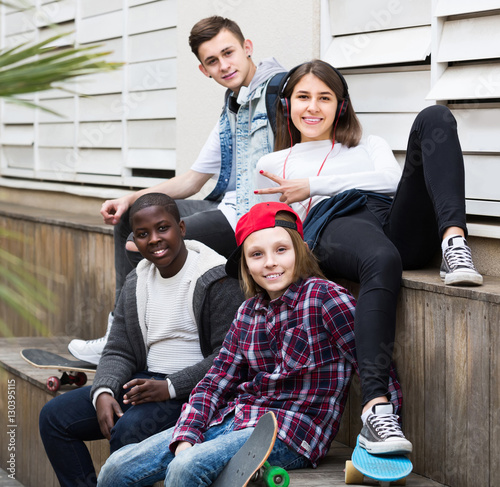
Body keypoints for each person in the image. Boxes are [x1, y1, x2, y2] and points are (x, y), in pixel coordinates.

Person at [255, 59, 483, 454]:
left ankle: (453, 242)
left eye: (325, 98)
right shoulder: (271, 165)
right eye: (303, 97)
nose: (313, 107)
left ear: (341, 106)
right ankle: (376, 410)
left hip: (391, 219)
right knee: (381, 259)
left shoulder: (370, 144)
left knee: (435, 116)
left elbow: (390, 182)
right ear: (286, 104)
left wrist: (311, 185)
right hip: (336, 222)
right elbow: (265, 227)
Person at [96, 202, 403, 486]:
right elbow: (214, 382)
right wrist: (188, 433)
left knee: (185, 468)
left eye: (281, 250)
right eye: (257, 254)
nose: (270, 263)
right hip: (236, 418)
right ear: (244, 261)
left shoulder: (325, 298)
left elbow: (374, 362)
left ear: (301, 251)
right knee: (115, 468)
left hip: (292, 432)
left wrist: (384, 427)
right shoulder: (247, 312)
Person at [68, 15, 286, 363]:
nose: (224, 65)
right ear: (204, 70)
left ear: (247, 48)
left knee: (157, 239)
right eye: (212, 61)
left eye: (228, 53)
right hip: (225, 209)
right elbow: (192, 180)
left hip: (250, 219)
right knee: (136, 217)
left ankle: (145, 342)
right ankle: (118, 332)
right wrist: (129, 197)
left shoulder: (279, 93)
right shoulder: (232, 105)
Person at [39, 193, 244, 487]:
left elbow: (227, 356)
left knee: (129, 429)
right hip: (143, 382)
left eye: (163, 228)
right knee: (54, 417)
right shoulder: (137, 280)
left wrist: (170, 387)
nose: (155, 239)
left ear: (182, 228)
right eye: (143, 234)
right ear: (134, 239)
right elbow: (118, 348)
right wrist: (104, 392)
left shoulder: (217, 278)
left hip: (193, 391)